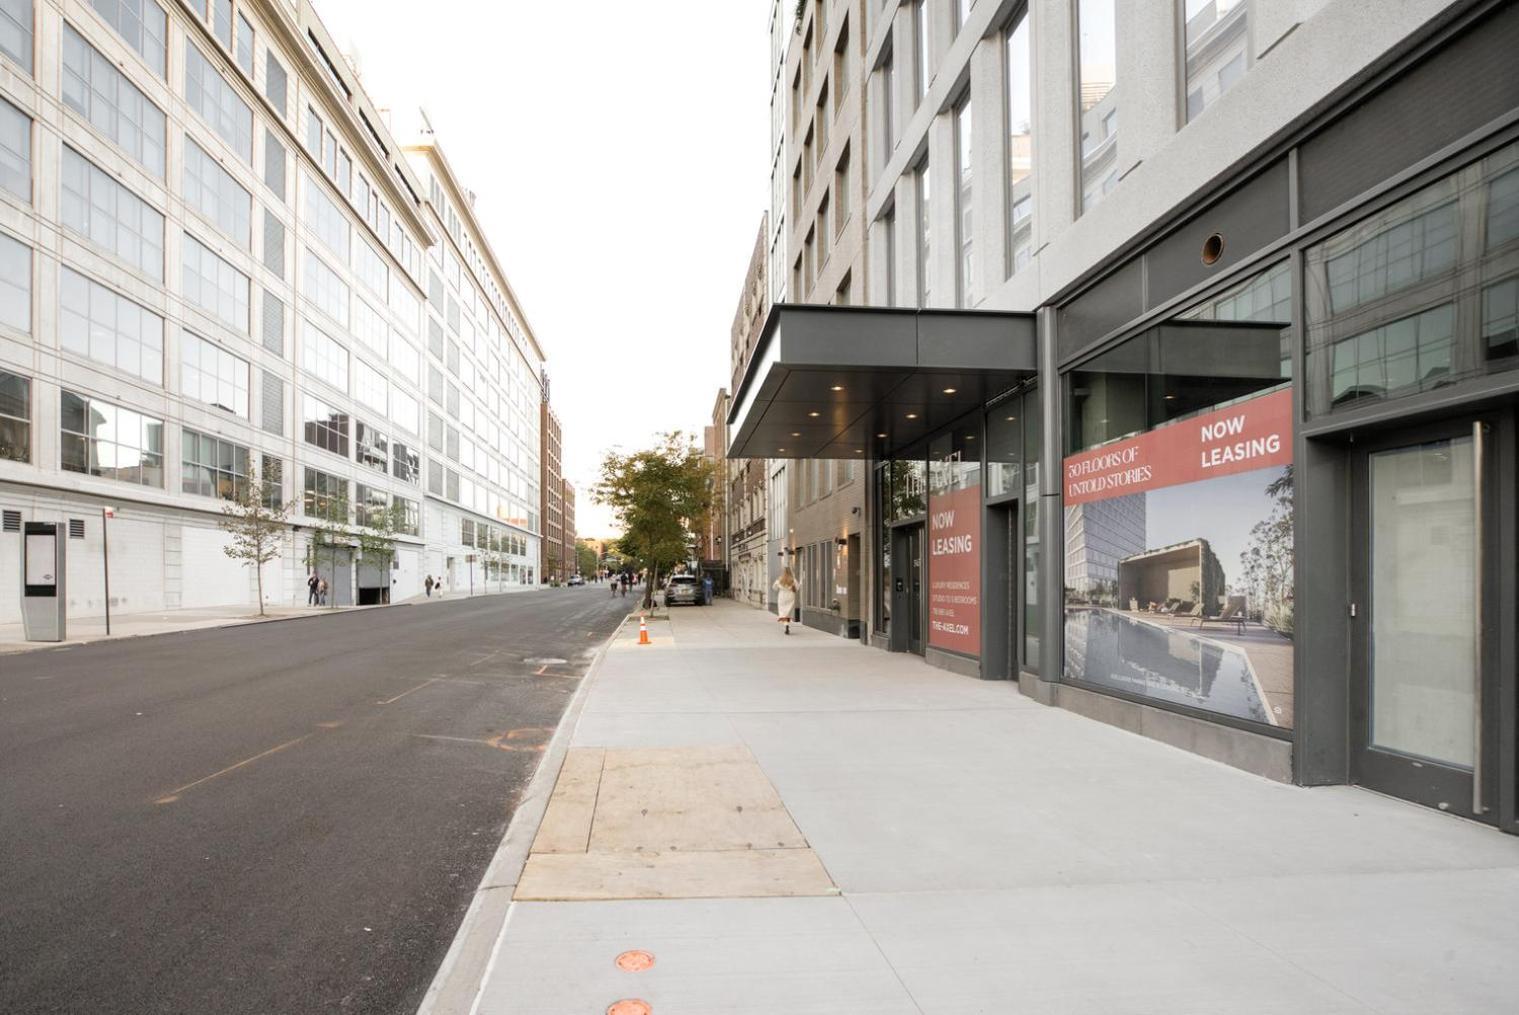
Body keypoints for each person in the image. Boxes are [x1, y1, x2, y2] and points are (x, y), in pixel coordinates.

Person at [773, 567, 798, 635]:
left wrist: (779, 588)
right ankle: (787, 623)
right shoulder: (793, 580)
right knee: (788, 612)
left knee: (782, 611)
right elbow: (797, 588)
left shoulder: (779, 579)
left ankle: (786, 624)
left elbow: (774, 588)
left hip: (782, 596)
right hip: (790, 596)